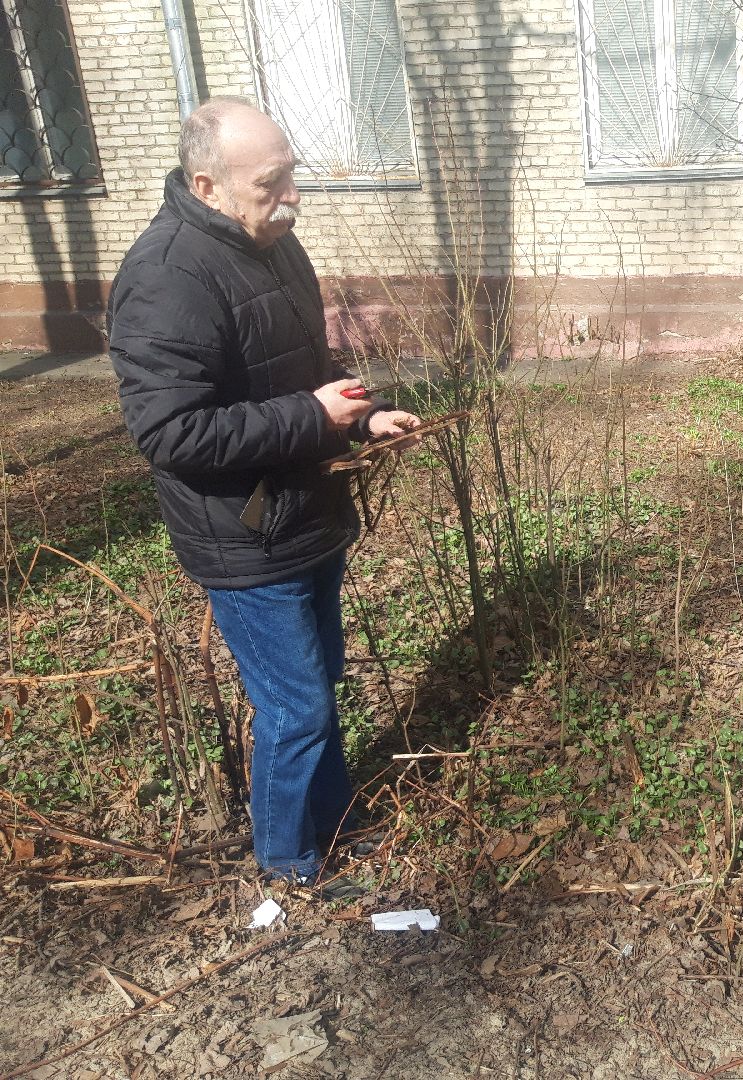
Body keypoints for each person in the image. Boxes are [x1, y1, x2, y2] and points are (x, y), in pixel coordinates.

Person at [109, 97, 420, 897]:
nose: (292, 200)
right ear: (207, 186)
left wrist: (360, 419)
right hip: (243, 536)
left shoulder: (273, 245)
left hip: (303, 512)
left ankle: (338, 824)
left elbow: (300, 377)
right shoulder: (164, 277)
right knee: (297, 708)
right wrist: (312, 417)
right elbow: (171, 434)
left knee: (321, 687)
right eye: (270, 184)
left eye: (293, 179)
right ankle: (289, 867)